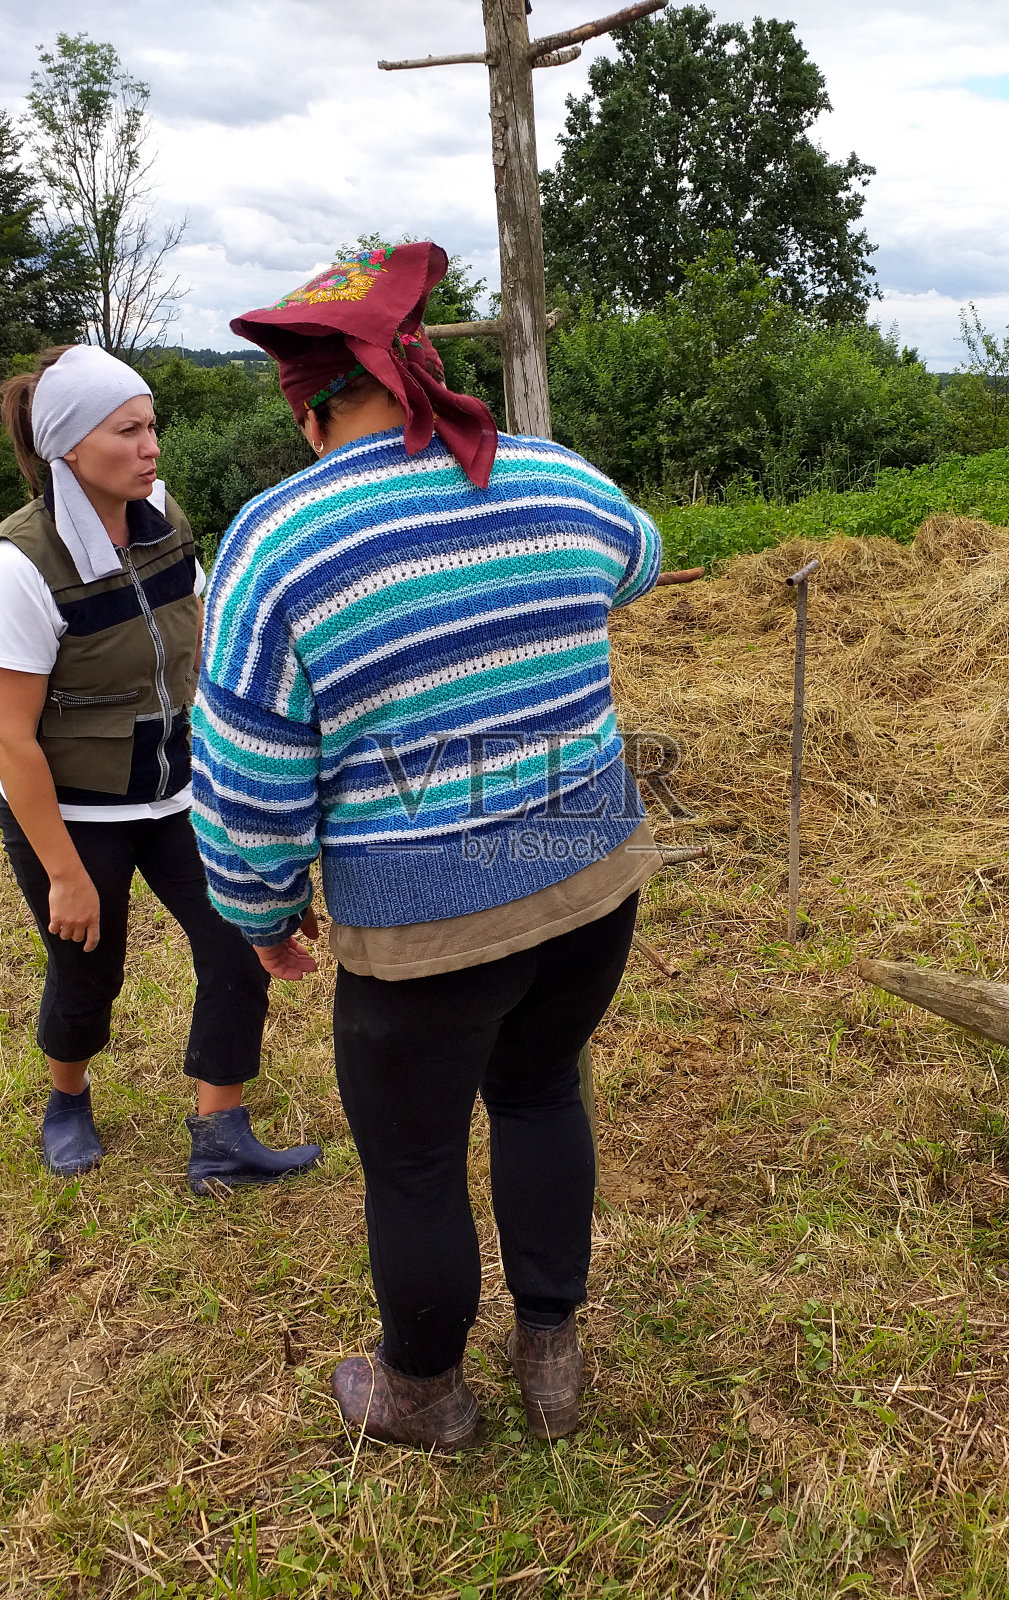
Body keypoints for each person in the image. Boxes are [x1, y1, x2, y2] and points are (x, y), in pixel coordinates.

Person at [193, 241, 662, 1447]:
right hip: (589, 875)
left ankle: (422, 1393)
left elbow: (249, 774)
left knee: (411, 1163)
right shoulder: (552, 478)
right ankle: (549, 1350)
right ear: (412, 372)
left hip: (425, 920)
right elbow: (639, 559)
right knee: (542, 1087)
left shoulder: (278, 539)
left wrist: (258, 912)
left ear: (309, 409)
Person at [0, 345, 322, 1194]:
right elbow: (11, 741)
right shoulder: (19, 568)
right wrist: (64, 875)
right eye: (129, 430)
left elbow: (203, 621)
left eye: (152, 428)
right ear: (71, 447)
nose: (152, 447)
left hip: (179, 787)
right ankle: (67, 1100)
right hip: (74, 809)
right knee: (87, 968)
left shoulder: (163, 515)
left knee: (235, 942)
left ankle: (221, 1130)